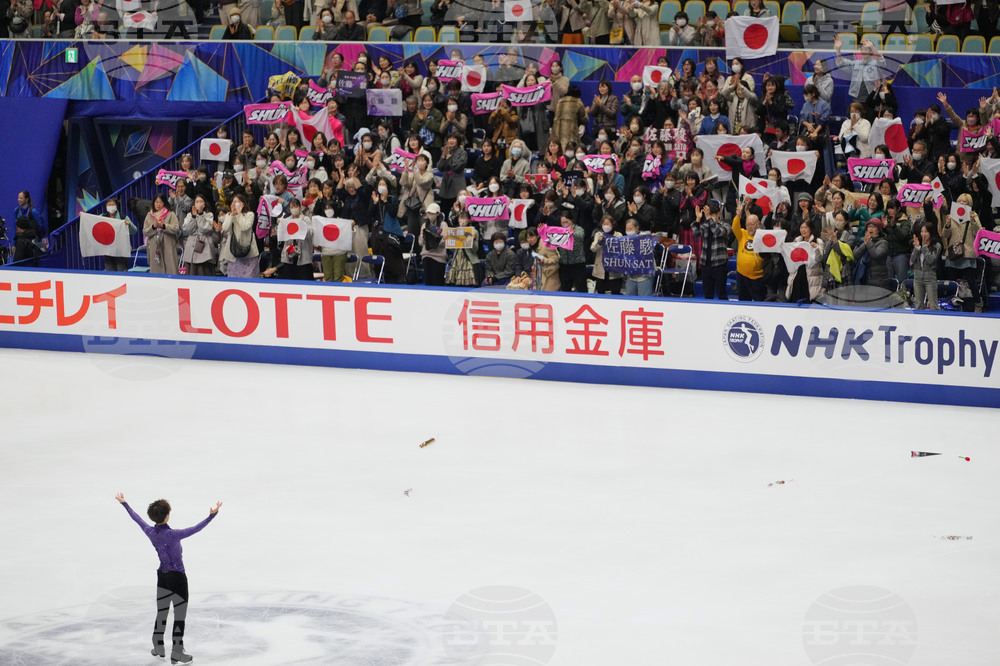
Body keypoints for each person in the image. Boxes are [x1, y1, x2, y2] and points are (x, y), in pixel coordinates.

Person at [115, 493, 222, 664]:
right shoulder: (173, 535)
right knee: (179, 616)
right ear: (167, 516)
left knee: (162, 613)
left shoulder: (150, 531)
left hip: (162, 577)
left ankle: (158, 646)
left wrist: (125, 504)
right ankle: (177, 652)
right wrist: (212, 515)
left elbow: (137, 519)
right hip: (178, 578)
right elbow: (196, 528)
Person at [692, 200, 729, 300]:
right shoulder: (706, 225)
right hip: (705, 264)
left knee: (722, 294)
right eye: (709, 214)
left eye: (712, 214)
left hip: (719, 264)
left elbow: (717, 231)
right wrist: (698, 220)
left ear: (718, 214)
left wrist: (709, 219)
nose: (710, 217)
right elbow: (696, 234)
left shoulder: (725, 226)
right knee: (707, 294)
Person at [219, 193, 259, 278]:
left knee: (249, 279)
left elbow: (244, 227)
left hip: (249, 253)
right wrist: (232, 215)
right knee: (234, 280)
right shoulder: (229, 215)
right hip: (234, 254)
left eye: (238, 202)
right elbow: (225, 228)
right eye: (234, 202)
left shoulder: (250, 214)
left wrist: (239, 214)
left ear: (243, 204)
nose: (235, 204)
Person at [732, 200, 765, 301]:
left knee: (759, 301)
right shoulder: (742, 233)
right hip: (742, 275)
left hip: (757, 277)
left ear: (758, 224)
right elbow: (734, 227)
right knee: (743, 300)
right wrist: (738, 215)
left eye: (752, 224)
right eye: (748, 224)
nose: (750, 227)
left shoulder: (763, 236)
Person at [181, 194, 221, 277]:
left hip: (204, 247)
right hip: (190, 247)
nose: (199, 203)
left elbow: (205, 229)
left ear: (204, 203)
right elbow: (186, 229)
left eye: (201, 201)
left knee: (204, 272)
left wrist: (199, 215)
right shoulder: (189, 215)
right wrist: (193, 217)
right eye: (197, 201)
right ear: (194, 204)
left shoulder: (209, 215)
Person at [144, 194, 180, 275]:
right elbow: (145, 231)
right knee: (156, 270)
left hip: (168, 244)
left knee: (171, 267)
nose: (158, 204)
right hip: (154, 245)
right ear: (153, 203)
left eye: (161, 202)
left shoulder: (170, 214)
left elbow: (176, 228)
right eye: (156, 202)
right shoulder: (149, 215)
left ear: (164, 203)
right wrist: (154, 227)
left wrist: (163, 226)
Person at [910, 221, 942, 310]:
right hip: (917, 276)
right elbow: (912, 260)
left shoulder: (937, 246)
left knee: (933, 305)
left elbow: (931, 259)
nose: (923, 234)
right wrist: (916, 248)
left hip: (930, 276)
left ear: (931, 233)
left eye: (926, 232)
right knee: (919, 304)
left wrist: (924, 247)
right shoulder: (918, 244)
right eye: (922, 231)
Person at [102, 198, 137, 272]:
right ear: (106, 207)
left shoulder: (123, 217)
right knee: (109, 273)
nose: (111, 207)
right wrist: (83, 216)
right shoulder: (102, 217)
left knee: (121, 272)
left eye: (113, 205)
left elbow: (134, 231)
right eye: (109, 205)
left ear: (116, 206)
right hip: (108, 251)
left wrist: (129, 225)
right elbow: (92, 222)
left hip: (121, 251)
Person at [419, 203, 447, 286]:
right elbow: (421, 243)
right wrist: (423, 237)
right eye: (428, 213)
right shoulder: (424, 225)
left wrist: (435, 240)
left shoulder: (443, 225)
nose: (430, 215)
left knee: (437, 282)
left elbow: (444, 241)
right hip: (426, 255)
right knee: (428, 282)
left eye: (432, 213)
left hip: (439, 257)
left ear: (437, 213)